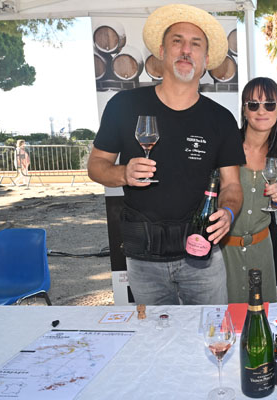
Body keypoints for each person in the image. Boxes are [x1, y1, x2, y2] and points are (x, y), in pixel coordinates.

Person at [87, 4, 245, 305]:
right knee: (153, 334)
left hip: (203, 257)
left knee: (210, 331)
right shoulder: (123, 105)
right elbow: (95, 166)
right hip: (144, 260)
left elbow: (232, 185)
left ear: (206, 60)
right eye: (177, 41)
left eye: (195, 44)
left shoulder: (221, 119)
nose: (186, 50)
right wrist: (122, 173)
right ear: (161, 51)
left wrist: (229, 212)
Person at [221, 77, 277, 303]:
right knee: (224, 318)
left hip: (262, 252)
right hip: (224, 253)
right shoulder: (227, 147)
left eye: (269, 104)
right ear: (244, 110)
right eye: (253, 104)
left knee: (262, 316)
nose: (261, 111)